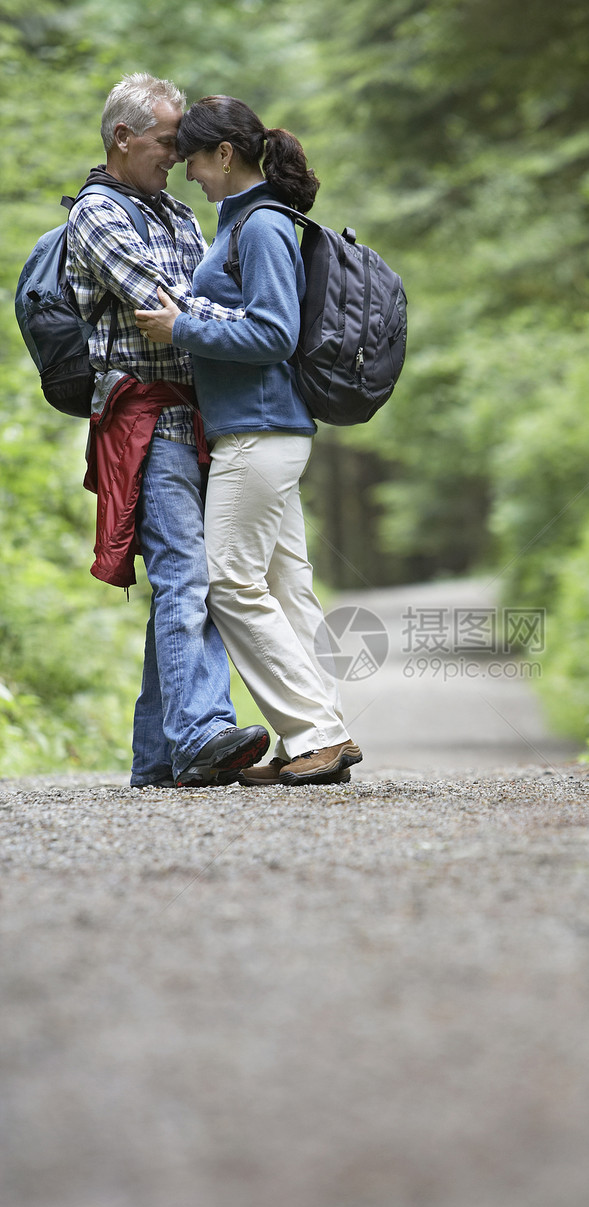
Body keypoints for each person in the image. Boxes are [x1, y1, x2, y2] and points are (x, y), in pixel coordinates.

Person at [133, 96, 362, 788]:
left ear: (225, 156)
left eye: (195, 162)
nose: (188, 174)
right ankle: (323, 736)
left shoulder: (259, 227)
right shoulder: (244, 224)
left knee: (229, 582)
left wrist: (183, 330)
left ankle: (317, 732)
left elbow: (273, 334)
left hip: (257, 433)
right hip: (266, 432)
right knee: (286, 588)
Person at [66, 74, 270, 787]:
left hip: (196, 418)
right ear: (123, 138)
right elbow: (169, 302)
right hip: (146, 420)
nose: (178, 154)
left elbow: (205, 303)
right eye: (164, 141)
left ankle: (158, 757)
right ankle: (201, 732)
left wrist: (229, 324)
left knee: (184, 579)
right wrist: (258, 331)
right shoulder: (97, 214)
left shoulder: (180, 215)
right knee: (187, 575)